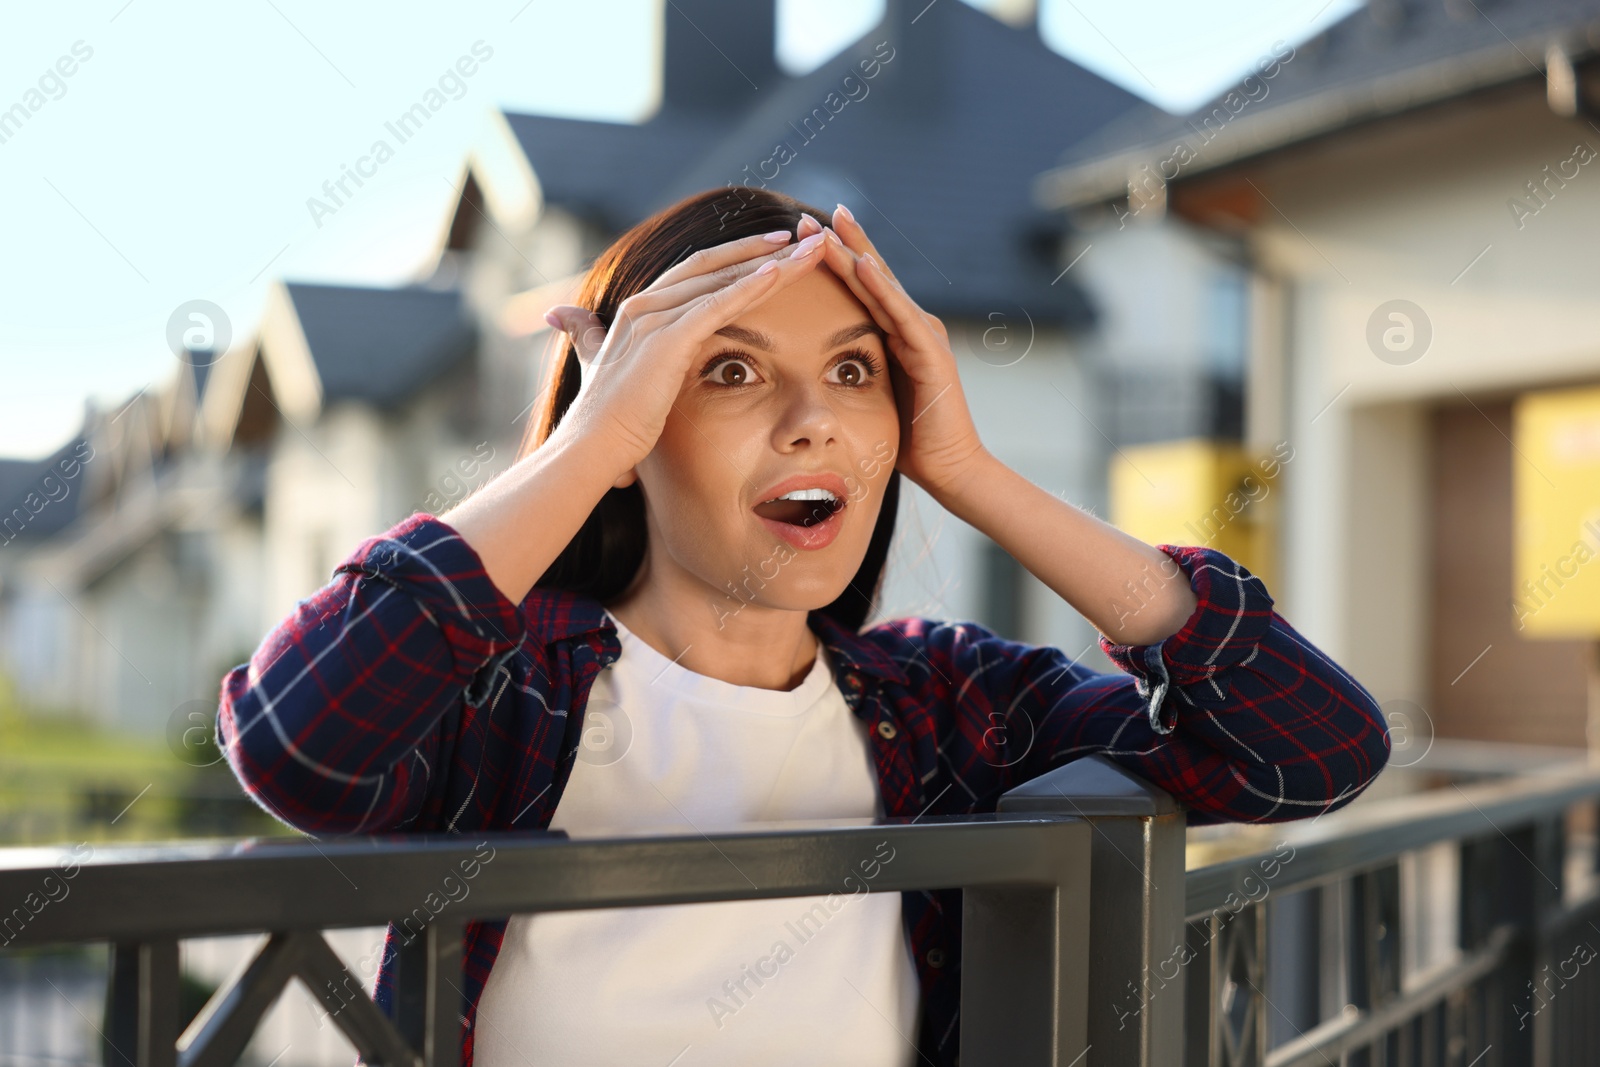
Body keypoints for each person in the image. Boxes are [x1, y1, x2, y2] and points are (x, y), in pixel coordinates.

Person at [218, 186, 1391, 1067]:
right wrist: (583, 449)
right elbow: (298, 743)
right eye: (725, 370)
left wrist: (970, 470)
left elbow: (1311, 749)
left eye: (853, 370)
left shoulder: (942, 702)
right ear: (630, 418)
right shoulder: (506, 689)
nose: (810, 420)